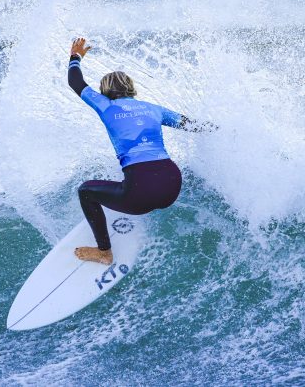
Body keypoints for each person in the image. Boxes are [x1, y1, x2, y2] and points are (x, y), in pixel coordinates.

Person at [67, 37, 217, 265]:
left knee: (86, 191)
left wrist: (75, 57)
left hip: (140, 195)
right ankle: (132, 195)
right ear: (131, 88)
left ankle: (104, 252)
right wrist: (226, 131)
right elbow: (192, 125)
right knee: (134, 177)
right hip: (172, 186)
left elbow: (75, 82)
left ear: (105, 92)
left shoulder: (105, 105)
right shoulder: (152, 109)